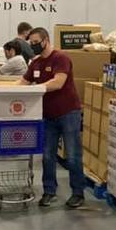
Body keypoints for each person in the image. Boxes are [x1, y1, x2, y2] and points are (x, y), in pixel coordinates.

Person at [20, 27, 85, 209]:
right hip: (48, 115)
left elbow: (58, 83)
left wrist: (35, 88)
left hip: (68, 113)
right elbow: (22, 82)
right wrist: (3, 91)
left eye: (35, 43)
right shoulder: (36, 63)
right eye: (30, 43)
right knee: (48, 156)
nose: (33, 46)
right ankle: (49, 191)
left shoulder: (60, 58)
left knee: (72, 156)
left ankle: (78, 193)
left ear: (45, 40)